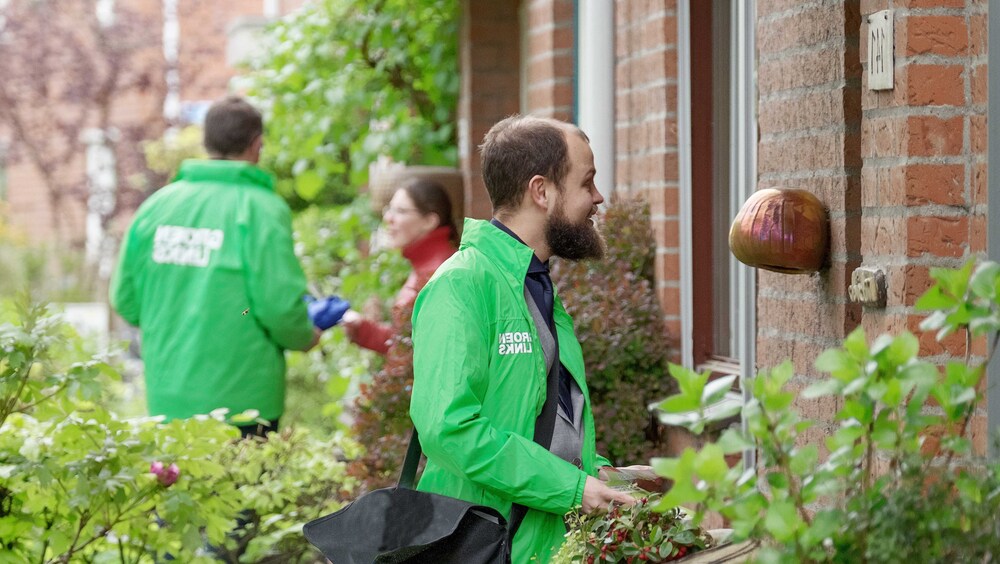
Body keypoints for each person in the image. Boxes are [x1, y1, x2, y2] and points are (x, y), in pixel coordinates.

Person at [409, 115, 649, 562]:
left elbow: (533, 422)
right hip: (481, 547)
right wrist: (573, 488)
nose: (598, 198)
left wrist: (600, 474)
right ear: (542, 191)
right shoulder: (462, 284)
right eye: (587, 182)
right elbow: (449, 430)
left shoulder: (534, 284)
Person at [109, 96, 348, 438]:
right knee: (243, 489)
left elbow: (126, 300)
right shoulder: (261, 209)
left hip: (169, 402)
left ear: (207, 142)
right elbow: (279, 308)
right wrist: (305, 336)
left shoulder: (157, 207)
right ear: (257, 144)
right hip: (243, 403)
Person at [340, 178, 459, 354]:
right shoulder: (426, 265)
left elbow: (424, 354)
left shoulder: (438, 272)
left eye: (400, 211)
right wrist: (362, 329)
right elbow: (407, 345)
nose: (388, 218)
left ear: (429, 221)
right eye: (390, 209)